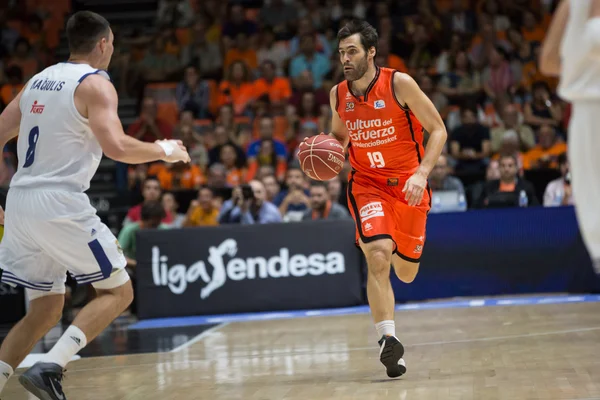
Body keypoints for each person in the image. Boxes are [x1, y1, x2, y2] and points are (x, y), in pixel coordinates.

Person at [0, 11, 190, 400]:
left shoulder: (37, 80)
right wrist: (164, 149)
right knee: (118, 292)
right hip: (59, 202)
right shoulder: (96, 85)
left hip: (19, 201)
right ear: (103, 44)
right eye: (113, 44)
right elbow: (117, 147)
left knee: (47, 307)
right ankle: (51, 365)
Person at [300, 20, 447, 378]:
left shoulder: (400, 84)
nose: (345, 59)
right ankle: (388, 340)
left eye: (352, 51)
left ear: (370, 52)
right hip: (367, 184)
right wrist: (324, 154)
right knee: (378, 256)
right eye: (340, 53)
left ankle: (400, 255)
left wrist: (422, 173)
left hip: (409, 185)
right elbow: (339, 138)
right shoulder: (338, 95)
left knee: (407, 273)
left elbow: (438, 129)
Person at [540, 0, 600, 273]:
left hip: (587, 112)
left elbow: (549, 62)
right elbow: (548, 62)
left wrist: (581, 74)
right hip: (587, 115)